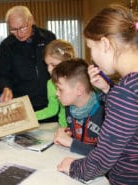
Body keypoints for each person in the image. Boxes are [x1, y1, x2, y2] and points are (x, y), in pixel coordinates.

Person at [57, 4, 138, 184]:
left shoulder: (125, 92)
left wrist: (75, 167)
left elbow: (104, 157)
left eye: (91, 47)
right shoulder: (128, 89)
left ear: (105, 44)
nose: (92, 58)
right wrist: (108, 90)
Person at [0, 5, 57, 122]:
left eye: (22, 28)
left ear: (31, 20)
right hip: (22, 105)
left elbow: (58, 66)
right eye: (13, 29)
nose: (19, 34)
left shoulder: (48, 38)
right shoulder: (6, 46)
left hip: (50, 103)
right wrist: (6, 88)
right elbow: (3, 75)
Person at [51, 59, 105, 155]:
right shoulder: (69, 107)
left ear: (79, 90)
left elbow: (106, 156)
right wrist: (68, 134)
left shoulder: (105, 110)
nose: (56, 93)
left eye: (60, 89)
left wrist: (71, 143)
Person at [35, 39, 76, 127]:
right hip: (63, 128)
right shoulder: (50, 84)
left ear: (68, 63)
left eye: (53, 65)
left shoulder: (81, 80)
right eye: (47, 65)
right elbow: (52, 109)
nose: (49, 69)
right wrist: (31, 117)